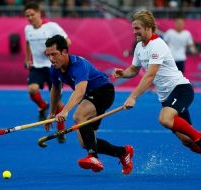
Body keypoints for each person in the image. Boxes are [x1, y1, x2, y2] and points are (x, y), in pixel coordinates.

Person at [112, 10, 201, 159]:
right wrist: (123, 73)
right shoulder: (139, 47)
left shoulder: (157, 45)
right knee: (188, 142)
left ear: (148, 28)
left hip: (181, 90)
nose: (134, 32)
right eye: (133, 28)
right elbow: (134, 69)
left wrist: (133, 97)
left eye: (137, 28)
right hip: (167, 97)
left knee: (165, 119)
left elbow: (150, 76)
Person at [44, 34, 134, 174]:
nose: (51, 59)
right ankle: (123, 152)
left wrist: (65, 110)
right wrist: (52, 112)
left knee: (79, 115)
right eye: (48, 55)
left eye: (54, 54)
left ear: (64, 52)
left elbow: (79, 92)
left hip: (103, 92)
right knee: (85, 142)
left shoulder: (78, 65)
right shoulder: (54, 69)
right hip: (90, 96)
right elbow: (55, 88)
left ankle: (93, 158)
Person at [24, 1, 71, 143]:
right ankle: (43, 106)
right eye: (27, 15)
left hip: (53, 67)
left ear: (39, 13)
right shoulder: (27, 29)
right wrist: (27, 59)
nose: (30, 17)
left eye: (32, 14)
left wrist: (53, 51)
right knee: (32, 89)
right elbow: (27, 43)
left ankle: (61, 131)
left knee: (57, 103)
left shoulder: (51, 27)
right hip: (37, 67)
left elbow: (67, 41)